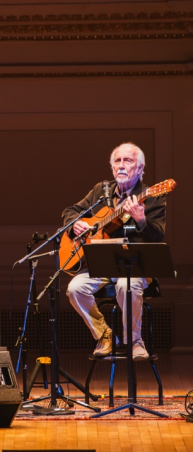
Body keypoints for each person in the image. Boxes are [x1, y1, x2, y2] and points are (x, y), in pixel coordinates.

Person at [64, 142, 165, 359]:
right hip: (102, 265)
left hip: (137, 267)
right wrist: (75, 223)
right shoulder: (102, 191)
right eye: (117, 161)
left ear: (140, 168)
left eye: (127, 161)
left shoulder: (153, 196)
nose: (121, 165)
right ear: (112, 168)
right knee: (75, 288)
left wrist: (141, 219)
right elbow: (71, 211)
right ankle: (104, 335)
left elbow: (158, 235)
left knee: (125, 284)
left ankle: (135, 341)